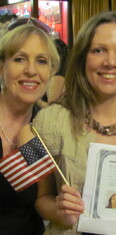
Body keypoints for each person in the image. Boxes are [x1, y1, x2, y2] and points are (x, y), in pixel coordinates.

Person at [31, 11, 116, 235]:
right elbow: (41, 198)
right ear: (82, 58)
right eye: (98, 50)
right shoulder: (49, 121)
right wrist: (59, 211)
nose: (111, 62)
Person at [0, 24, 60, 234]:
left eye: (41, 61)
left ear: (51, 71)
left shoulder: (45, 129)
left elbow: (45, 201)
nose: (31, 70)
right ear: (1, 67)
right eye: (19, 59)